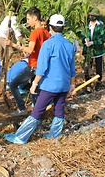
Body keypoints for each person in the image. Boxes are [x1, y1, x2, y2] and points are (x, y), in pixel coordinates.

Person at [5, 14, 76, 144]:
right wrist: (72, 85)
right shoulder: (69, 45)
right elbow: (72, 68)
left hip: (50, 85)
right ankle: (54, 135)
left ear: (50, 27)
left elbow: (42, 67)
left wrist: (35, 83)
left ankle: (21, 137)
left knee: (37, 110)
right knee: (59, 110)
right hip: (64, 84)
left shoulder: (48, 45)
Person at [5, 7, 50, 116]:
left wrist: (13, 45)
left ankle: (22, 108)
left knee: (13, 85)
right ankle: (38, 113)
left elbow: (30, 50)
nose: (27, 21)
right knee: (34, 89)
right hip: (42, 65)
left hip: (33, 65)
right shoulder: (46, 33)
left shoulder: (35, 33)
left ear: (35, 18)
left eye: (28, 19)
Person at [79, 7, 105, 91]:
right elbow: (81, 34)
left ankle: (98, 82)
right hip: (88, 51)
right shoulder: (86, 26)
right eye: (90, 15)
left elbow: (103, 39)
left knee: (99, 67)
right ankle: (88, 84)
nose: (91, 16)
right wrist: (84, 39)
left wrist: (93, 42)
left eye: (93, 15)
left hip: (98, 50)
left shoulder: (101, 26)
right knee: (88, 66)